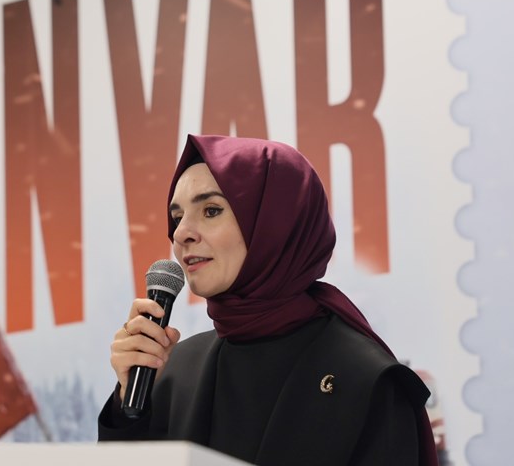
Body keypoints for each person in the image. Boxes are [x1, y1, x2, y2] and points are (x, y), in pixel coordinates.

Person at [99, 134, 438, 466]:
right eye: (177, 217)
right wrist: (128, 408)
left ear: (275, 224)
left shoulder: (365, 379)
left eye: (211, 210)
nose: (180, 233)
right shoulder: (174, 371)